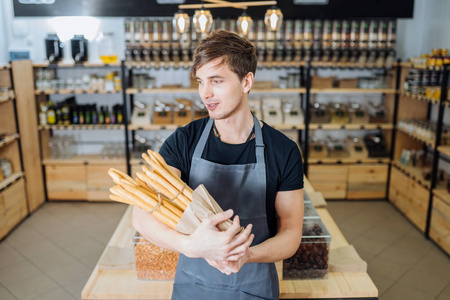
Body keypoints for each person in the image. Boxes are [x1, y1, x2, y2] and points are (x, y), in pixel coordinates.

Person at [132, 29, 304, 300]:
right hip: (193, 285)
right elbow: (141, 215)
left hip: (253, 286)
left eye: (216, 80)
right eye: (201, 81)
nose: (205, 93)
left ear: (246, 81)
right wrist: (189, 245)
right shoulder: (183, 141)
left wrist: (246, 255)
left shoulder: (283, 151)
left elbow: (292, 233)